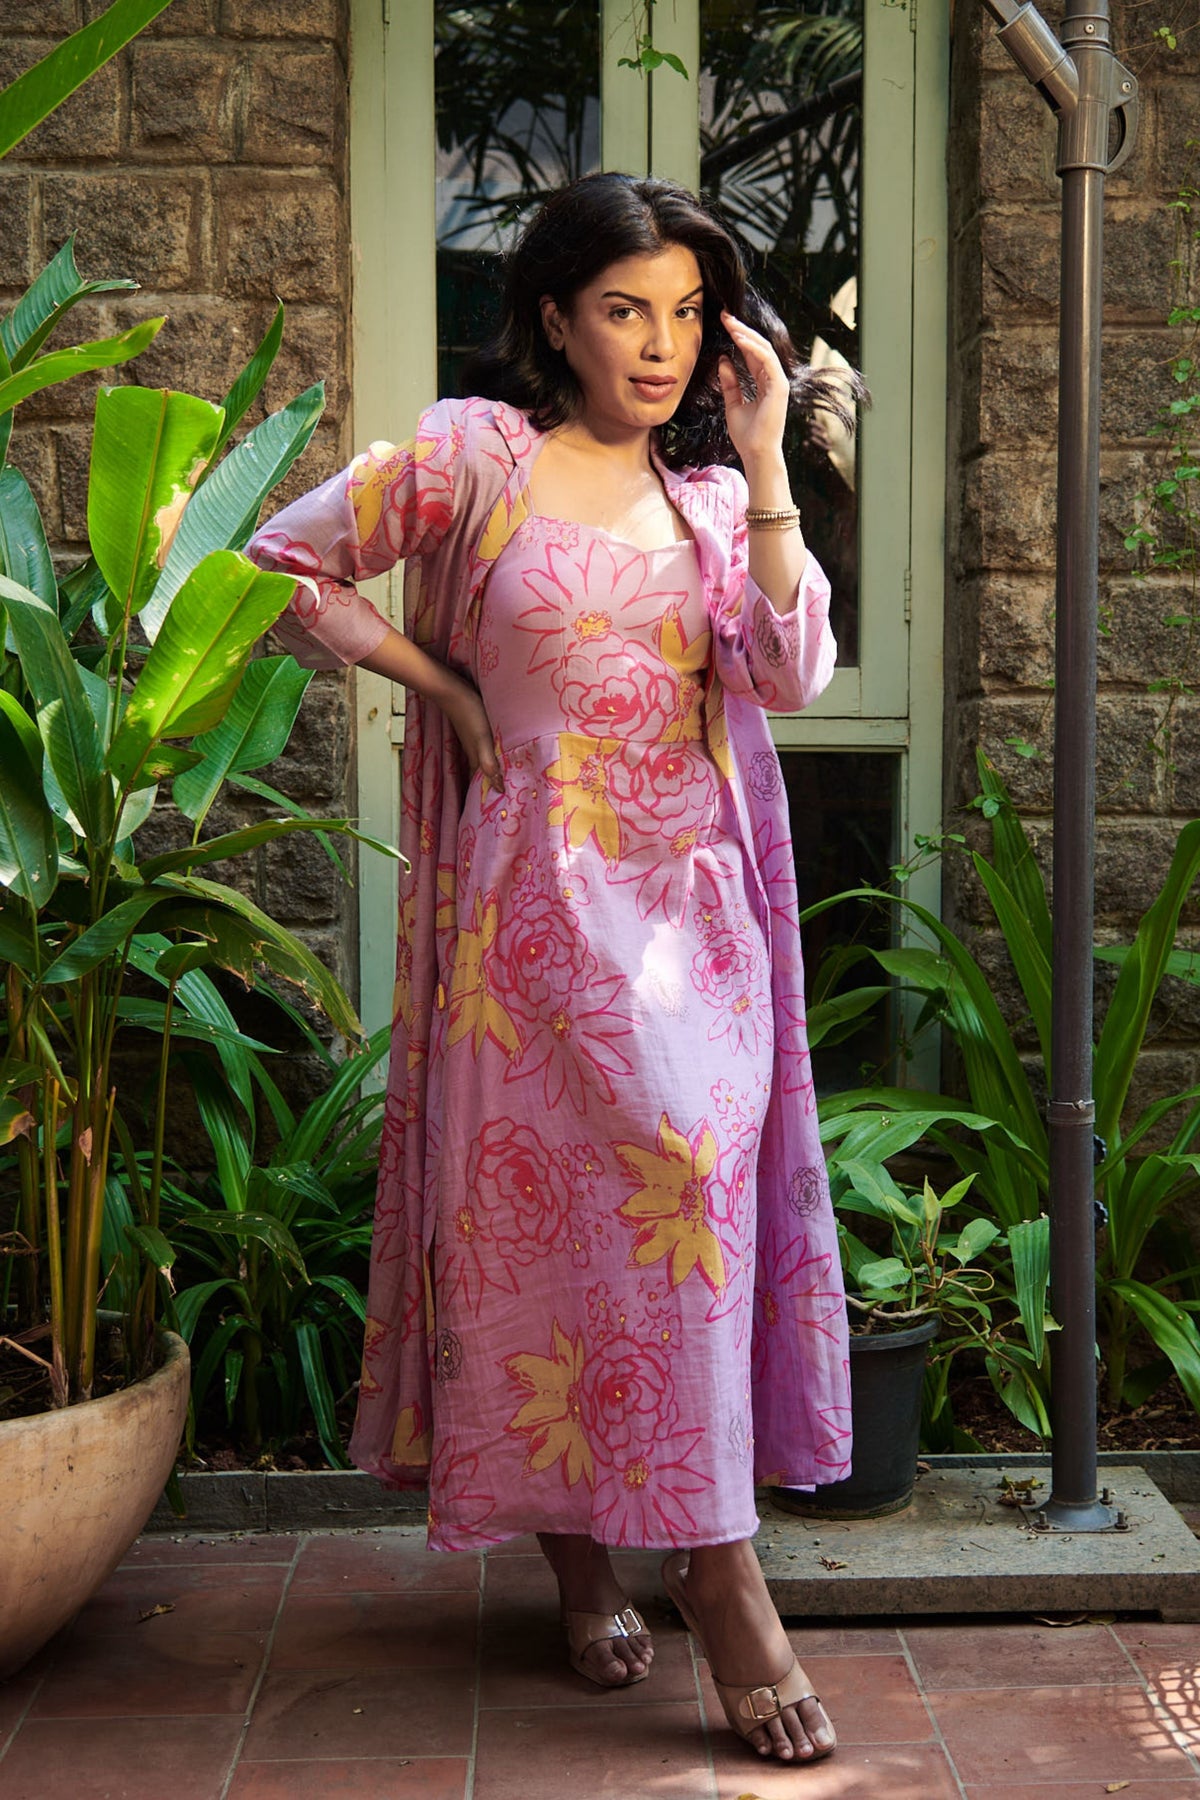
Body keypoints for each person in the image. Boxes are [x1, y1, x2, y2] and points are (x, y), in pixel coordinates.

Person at [250, 171, 853, 1768]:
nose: (655, 347)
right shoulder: (477, 460)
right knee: (559, 1225)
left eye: (681, 314)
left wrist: (773, 452)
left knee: (682, 1200)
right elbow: (282, 563)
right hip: (529, 922)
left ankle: (714, 1565)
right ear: (554, 320)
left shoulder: (717, 510)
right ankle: (600, 1564)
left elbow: (790, 673)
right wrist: (437, 679)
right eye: (621, 311)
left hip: (698, 927)